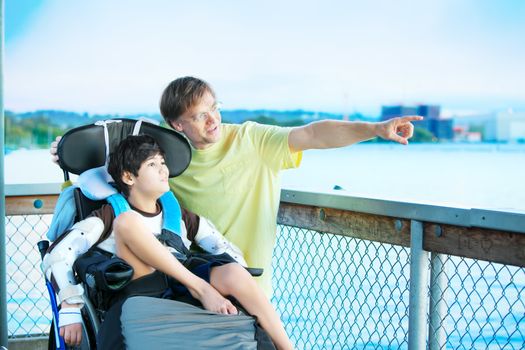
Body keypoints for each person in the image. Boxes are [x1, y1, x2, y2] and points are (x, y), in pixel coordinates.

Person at [52, 76, 422, 296]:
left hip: (248, 281)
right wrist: (64, 153)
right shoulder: (165, 157)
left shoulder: (253, 140)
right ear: (176, 124)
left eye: (215, 107)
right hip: (186, 286)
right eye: (199, 115)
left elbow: (313, 133)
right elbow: (113, 159)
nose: (214, 120)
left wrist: (374, 130)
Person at [45, 135, 293, 349]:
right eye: (152, 164)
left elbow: (223, 248)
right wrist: (69, 306)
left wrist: (236, 276)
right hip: (140, 282)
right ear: (129, 177)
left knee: (234, 273)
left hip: (179, 281)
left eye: (163, 162)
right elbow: (58, 254)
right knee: (128, 222)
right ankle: (201, 288)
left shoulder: (178, 215)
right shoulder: (111, 215)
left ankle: (286, 347)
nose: (164, 169)